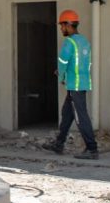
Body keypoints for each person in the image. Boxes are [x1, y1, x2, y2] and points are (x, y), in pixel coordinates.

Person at [42, 9, 99, 159]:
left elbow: (62, 62)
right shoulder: (84, 41)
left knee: (81, 117)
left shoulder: (69, 42)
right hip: (82, 83)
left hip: (75, 85)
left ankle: (92, 149)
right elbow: (84, 63)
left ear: (68, 25)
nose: (61, 29)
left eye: (62, 26)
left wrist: (61, 75)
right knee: (67, 114)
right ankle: (59, 144)